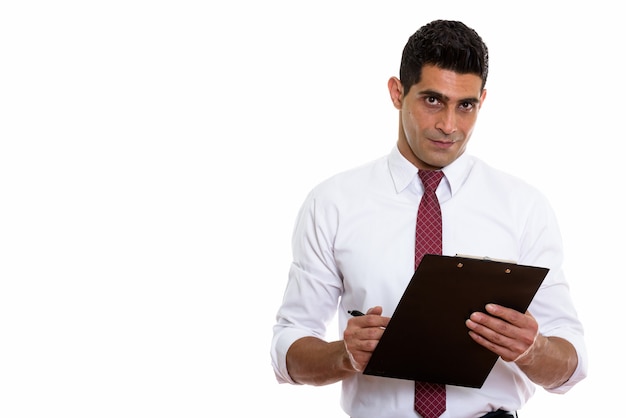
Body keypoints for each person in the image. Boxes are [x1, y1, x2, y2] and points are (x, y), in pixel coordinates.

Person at [270, 19, 587, 418]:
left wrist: (533, 349)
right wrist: (342, 356)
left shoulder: (523, 207)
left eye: (465, 105)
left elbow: (571, 366)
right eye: (433, 100)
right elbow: (289, 347)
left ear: (482, 101)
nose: (449, 126)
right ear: (397, 92)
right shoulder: (333, 203)